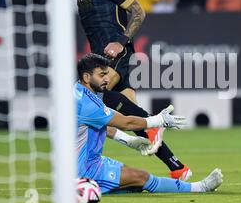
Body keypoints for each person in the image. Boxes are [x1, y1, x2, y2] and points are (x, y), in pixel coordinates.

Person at [73, 0, 192, 181]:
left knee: (93, 103)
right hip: (99, 58)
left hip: (115, 56)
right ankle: (178, 168)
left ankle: (88, 167)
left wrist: (121, 41)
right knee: (136, 120)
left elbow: (138, 12)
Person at [76, 53, 223, 194]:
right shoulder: (88, 103)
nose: (107, 79)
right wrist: (159, 120)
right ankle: (200, 187)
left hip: (90, 162)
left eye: (106, 74)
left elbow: (99, 125)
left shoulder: (78, 92)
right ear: (87, 77)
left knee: (133, 180)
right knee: (143, 177)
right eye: (101, 75)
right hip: (86, 170)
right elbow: (127, 123)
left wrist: (129, 140)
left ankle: (102, 188)